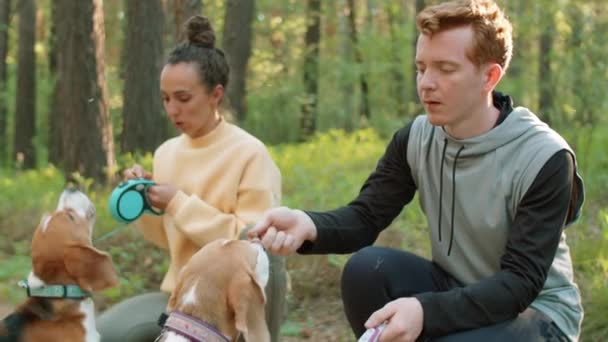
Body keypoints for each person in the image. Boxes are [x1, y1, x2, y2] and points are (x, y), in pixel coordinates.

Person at [248, 0, 584, 341]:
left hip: (536, 315)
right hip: (458, 287)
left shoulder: (544, 157)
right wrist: (309, 224)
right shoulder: (417, 138)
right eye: (421, 68)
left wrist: (425, 310)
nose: (426, 83)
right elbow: (365, 218)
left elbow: (519, 284)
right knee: (367, 271)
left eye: (445, 69)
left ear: (490, 76)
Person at [97, 16, 286, 342]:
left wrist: (178, 202)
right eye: (165, 99)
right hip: (180, 300)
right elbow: (164, 240)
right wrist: (145, 201)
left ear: (216, 95)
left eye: (183, 99)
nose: (172, 110)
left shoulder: (250, 154)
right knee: (101, 334)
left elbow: (253, 249)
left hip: (236, 307)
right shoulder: (166, 153)